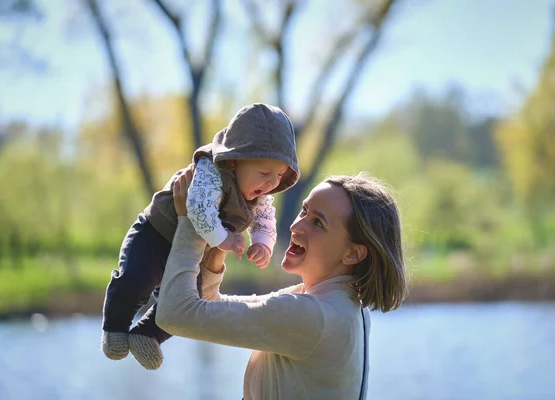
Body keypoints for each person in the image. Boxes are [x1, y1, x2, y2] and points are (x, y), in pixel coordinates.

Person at [155, 168, 408, 399]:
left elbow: (175, 314)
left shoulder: (312, 316)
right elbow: (208, 306)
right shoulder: (344, 306)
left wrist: (189, 220)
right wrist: (219, 241)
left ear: (353, 254)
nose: (297, 226)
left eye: (318, 223)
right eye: (304, 211)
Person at [101, 103, 300, 370]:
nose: (270, 184)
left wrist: (263, 242)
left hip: (191, 253)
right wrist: (224, 239)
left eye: (278, 176)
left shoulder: (260, 193)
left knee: (189, 299)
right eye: (264, 173)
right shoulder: (211, 170)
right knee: (136, 278)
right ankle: (114, 327)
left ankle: (147, 335)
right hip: (156, 233)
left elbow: (265, 218)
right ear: (234, 159)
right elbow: (198, 207)